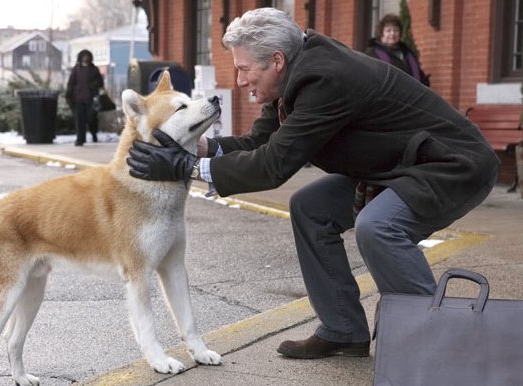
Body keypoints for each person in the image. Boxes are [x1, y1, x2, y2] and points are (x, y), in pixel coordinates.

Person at [127, 8, 499, 360]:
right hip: (398, 166)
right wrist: (196, 146)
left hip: (451, 165)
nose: (240, 82)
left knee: (378, 227)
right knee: (310, 208)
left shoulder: (325, 79)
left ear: (276, 61)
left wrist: (186, 167)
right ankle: (343, 330)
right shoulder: (295, 71)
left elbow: (273, 165)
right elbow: (261, 143)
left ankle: (444, 341)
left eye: (243, 70)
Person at [366, 13, 430, 86]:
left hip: (413, 95)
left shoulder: (407, 52)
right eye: (388, 31)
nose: (393, 33)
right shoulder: (373, 54)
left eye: (396, 30)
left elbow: (419, 74)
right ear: (381, 33)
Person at [65, 49, 104, 146]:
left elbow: (100, 82)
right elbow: (71, 83)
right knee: (79, 120)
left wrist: (93, 86)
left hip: (91, 99)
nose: (85, 58)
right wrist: (69, 95)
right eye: (83, 56)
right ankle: (80, 139)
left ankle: (94, 133)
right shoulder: (76, 69)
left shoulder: (94, 69)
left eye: (87, 56)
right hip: (78, 99)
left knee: (91, 119)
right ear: (80, 57)